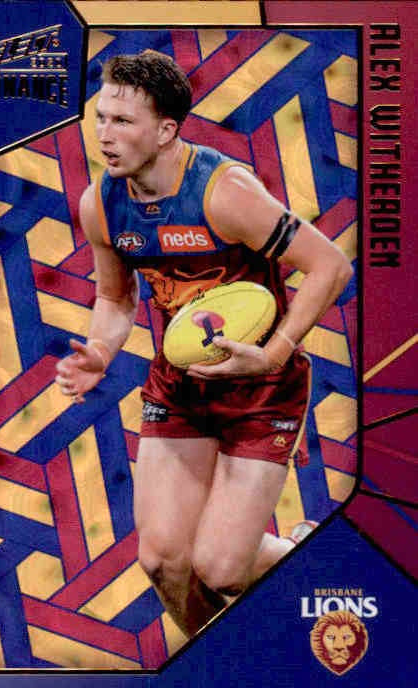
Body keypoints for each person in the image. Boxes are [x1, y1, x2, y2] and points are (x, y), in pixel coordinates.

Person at [55, 51, 353, 637]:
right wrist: (100, 351)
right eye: (100, 118)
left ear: (166, 130)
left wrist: (274, 352)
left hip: (261, 387)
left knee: (222, 569)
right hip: (180, 388)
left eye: (123, 122)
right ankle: (216, 666)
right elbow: (115, 298)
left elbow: (331, 267)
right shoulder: (101, 205)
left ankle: (310, 553)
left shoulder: (225, 193)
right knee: (162, 561)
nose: (104, 135)